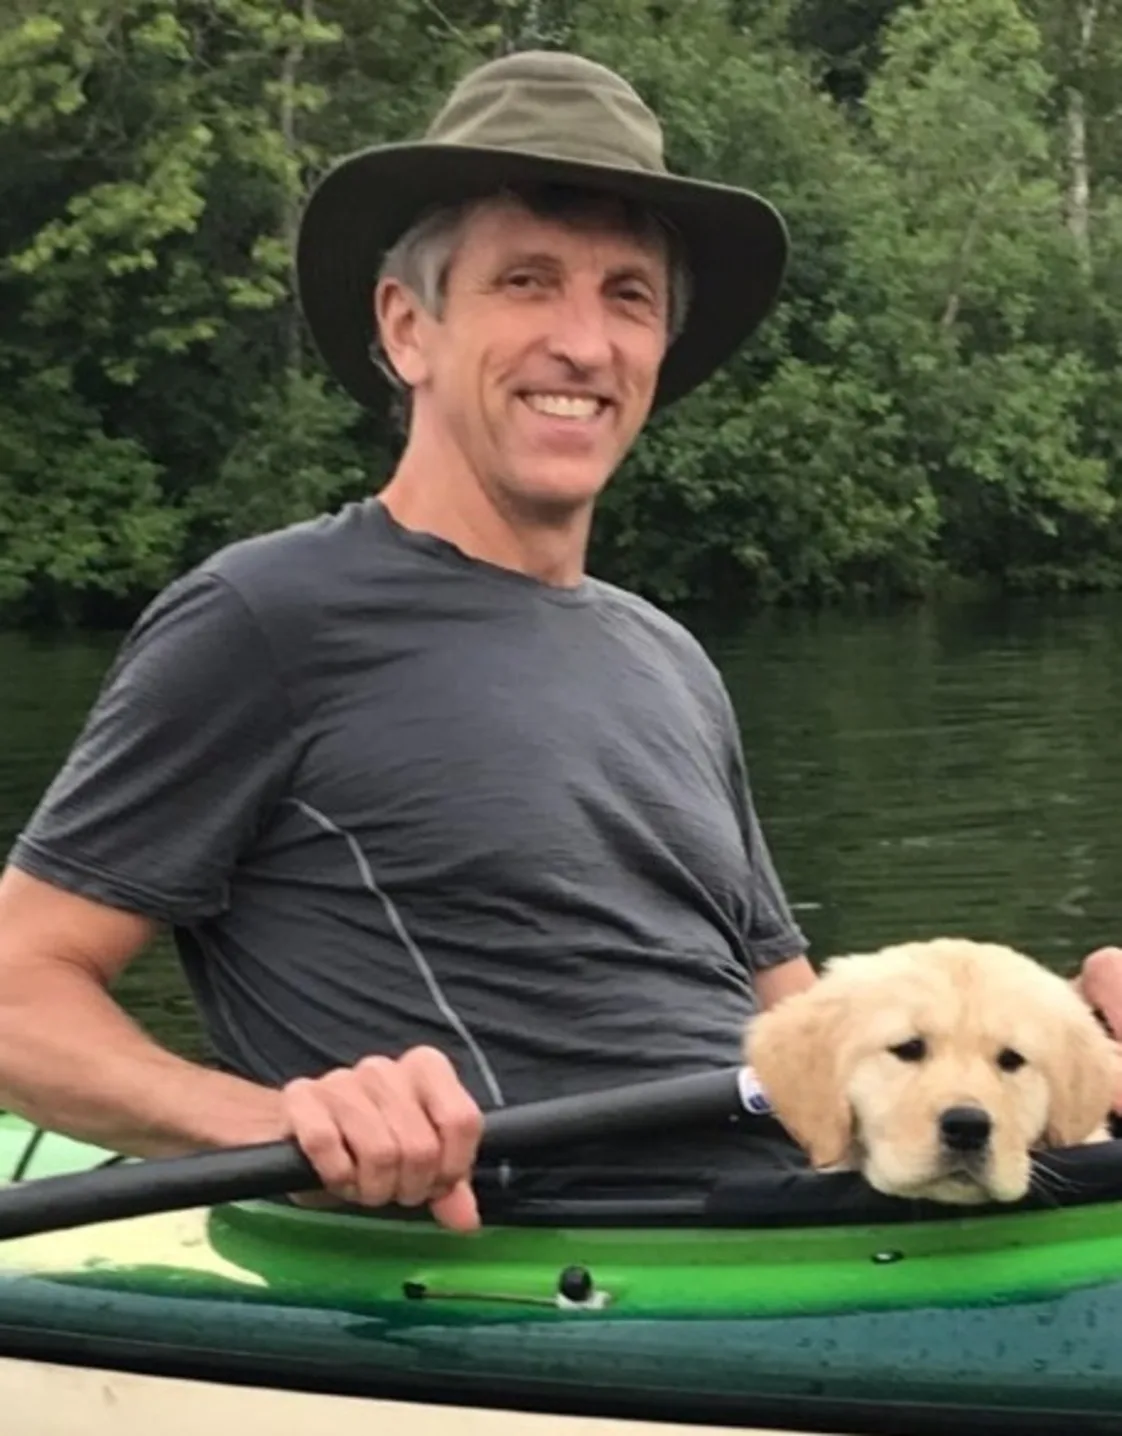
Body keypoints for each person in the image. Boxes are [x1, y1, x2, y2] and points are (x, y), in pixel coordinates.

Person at [0, 50, 1118, 1232]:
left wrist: (1056, 1053)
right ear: (407, 327)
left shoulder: (667, 657)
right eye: (527, 281)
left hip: (789, 1223)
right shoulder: (267, 619)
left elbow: (807, 1022)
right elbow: (17, 987)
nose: (584, 343)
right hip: (565, 1264)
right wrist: (275, 1125)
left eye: (627, 295)